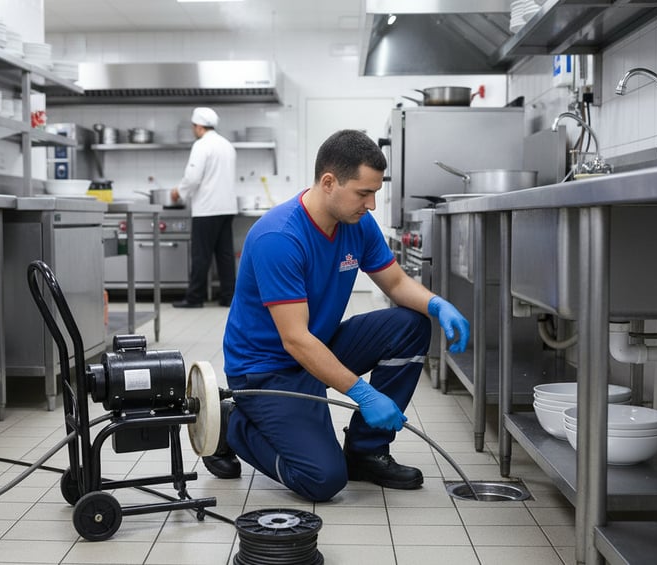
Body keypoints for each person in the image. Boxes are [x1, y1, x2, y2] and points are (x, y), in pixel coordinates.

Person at [205, 129, 469, 503]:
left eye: (375, 192)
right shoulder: (279, 238)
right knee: (323, 479)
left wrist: (437, 304)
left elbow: (394, 283)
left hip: (318, 345)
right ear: (329, 182)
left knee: (409, 325)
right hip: (267, 369)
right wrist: (362, 392)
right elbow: (295, 339)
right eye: (364, 193)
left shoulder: (356, 225)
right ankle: (233, 423)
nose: (372, 204)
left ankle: (365, 451)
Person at [171, 107, 238, 308]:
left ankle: (195, 298)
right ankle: (228, 297)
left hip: (207, 208)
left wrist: (178, 192)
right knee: (225, 255)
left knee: (201, 255)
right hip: (227, 207)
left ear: (198, 126)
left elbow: (192, 178)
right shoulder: (227, 145)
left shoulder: (202, 145)